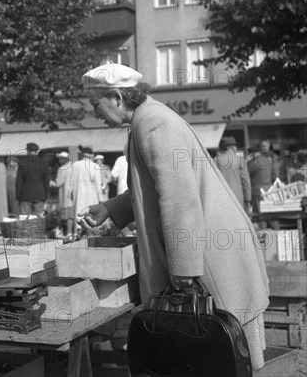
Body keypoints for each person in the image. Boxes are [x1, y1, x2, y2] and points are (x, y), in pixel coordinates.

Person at [77, 63, 269, 371]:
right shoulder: (148, 119)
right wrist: (111, 208)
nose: (95, 113)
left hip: (211, 260)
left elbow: (180, 199)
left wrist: (184, 270)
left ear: (115, 97)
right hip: (213, 253)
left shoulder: (153, 125)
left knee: (227, 357)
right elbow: (156, 187)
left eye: (95, 105)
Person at [214, 136, 252, 213]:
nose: (236, 148)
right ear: (231, 147)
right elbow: (246, 181)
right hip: (238, 197)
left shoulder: (216, 160)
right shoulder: (240, 160)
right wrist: (248, 199)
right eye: (235, 146)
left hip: (222, 197)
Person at [71, 146, 103, 232]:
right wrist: (101, 199)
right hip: (91, 195)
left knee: (79, 216)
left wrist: (70, 194)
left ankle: (78, 234)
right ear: (91, 155)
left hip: (78, 194)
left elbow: (71, 182)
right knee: (90, 218)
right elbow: (98, 184)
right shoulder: (94, 166)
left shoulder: (75, 165)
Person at [16, 142, 49, 215]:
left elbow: (19, 182)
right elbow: (46, 181)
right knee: (38, 219)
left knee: (26, 220)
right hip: (40, 194)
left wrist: (18, 197)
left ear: (28, 151)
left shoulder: (22, 163)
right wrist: (46, 196)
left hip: (25, 194)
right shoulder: (44, 163)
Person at [248, 139, 277, 217]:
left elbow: (246, 174)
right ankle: (275, 228)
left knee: (259, 214)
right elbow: (274, 176)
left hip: (258, 191)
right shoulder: (269, 161)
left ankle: (263, 228)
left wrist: (247, 160)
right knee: (269, 213)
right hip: (269, 190)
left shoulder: (253, 163)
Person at [54, 152, 74, 235]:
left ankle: (68, 233)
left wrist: (52, 182)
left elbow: (58, 183)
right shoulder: (74, 167)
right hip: (73, 194)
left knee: (67, 215)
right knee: (72, 215)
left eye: (61, 159)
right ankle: (73, 232)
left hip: (65, 195)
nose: (59, 161)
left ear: (65, 159)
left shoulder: (62, 169)